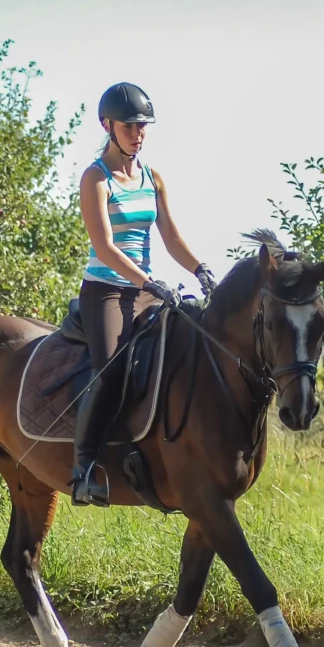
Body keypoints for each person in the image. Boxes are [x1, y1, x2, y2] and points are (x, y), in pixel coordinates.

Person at [71, 81, 217, 507]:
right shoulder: (95, 179)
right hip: (107, 292)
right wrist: (147, 281)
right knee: (113, 369)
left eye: (143, 126)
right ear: (108, 125)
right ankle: (84, 470)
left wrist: (200, 269)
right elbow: (105, 247)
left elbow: (170, 236)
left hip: (146, 289)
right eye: (131, 125)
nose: (138, 133)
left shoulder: (153, 177)